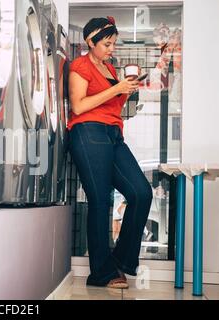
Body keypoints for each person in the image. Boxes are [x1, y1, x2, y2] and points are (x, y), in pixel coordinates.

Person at [67, 16, 153, 289]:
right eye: (106, 44)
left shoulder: (109, 68)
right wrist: (117, 88)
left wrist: (126, 88)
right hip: (88, 133)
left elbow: (111, 105)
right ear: (90, 42)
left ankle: (120, 261)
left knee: (141, 192)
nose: (111, 49)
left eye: (113, 43)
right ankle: (100, 273)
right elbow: (79, 106)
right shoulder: (79, 66)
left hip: (113, 135)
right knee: (100, 201)